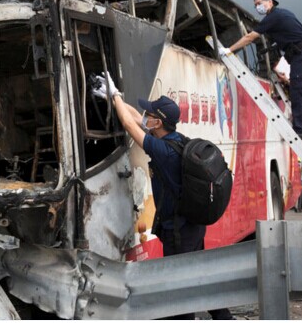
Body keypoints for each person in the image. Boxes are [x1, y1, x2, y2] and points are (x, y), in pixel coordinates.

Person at [92, 73, 232, 320]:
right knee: (200, 278)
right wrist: (117, 100)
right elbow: (137, 119)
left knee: (177, 291)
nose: (146, 116)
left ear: (158, 123)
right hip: (192, 227)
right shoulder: (176, 140)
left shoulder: (163, 152)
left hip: (178, 230)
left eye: (151, 115)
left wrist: (114, 95)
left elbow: (130, 126)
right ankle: (224, 317)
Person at [219, 0, 302, 141]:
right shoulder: (284, 14)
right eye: (255, 5)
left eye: (259, 3)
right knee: (300, 92)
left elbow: (250, 37)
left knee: (298, 93)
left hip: (300, 56)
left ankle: (301, 131)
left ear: (270, 2)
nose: (258, 7)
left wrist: (229, 50)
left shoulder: (273, 18)